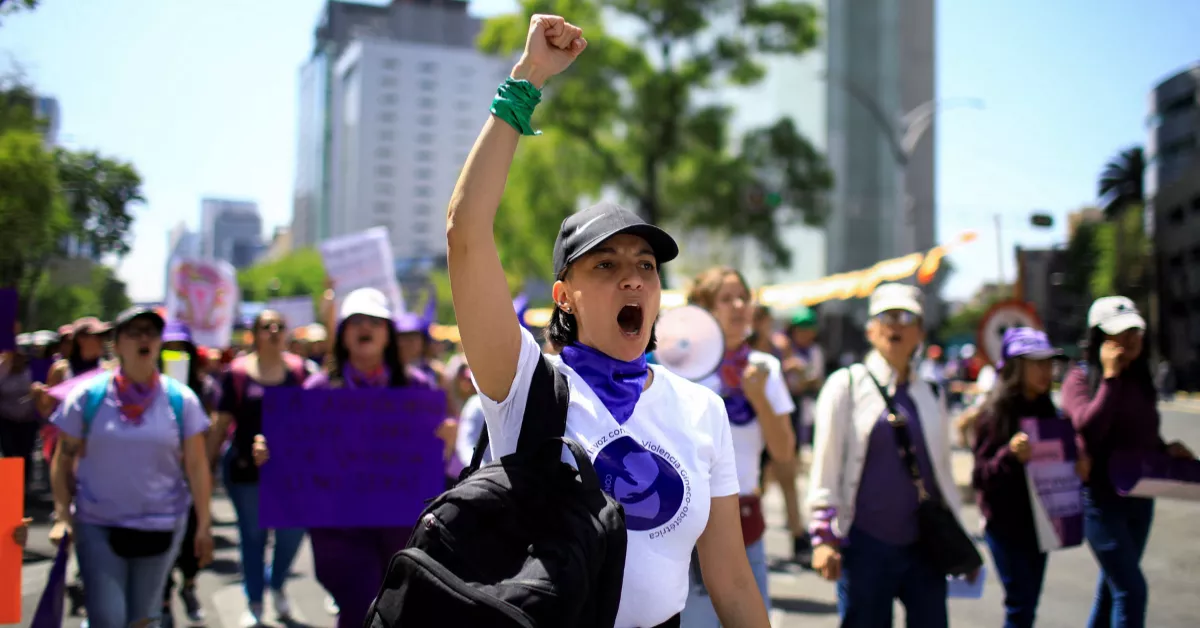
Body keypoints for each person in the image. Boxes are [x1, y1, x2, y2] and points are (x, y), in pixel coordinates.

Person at [445, 14, 770, 627]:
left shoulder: (702, 411)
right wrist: (527, 79)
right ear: (564, 296)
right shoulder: (524, 386)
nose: (632, 278)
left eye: (646, 265)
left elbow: (729, 579)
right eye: (606, 264)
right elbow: (465, 235)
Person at [254, 288, 452, 628]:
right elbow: (295, 454)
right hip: (338, 529)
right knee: (360, 604)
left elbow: (436, 461)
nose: (366, 328)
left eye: (375, 321)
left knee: (397, 608)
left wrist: (446, 440)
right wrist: (270, 452)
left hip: (398, 527)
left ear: (388, 334)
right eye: (356, 321)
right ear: (343, 334)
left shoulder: (416, 387)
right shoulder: (317, 391)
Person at [807, 283, 964, 628]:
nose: (896, 325)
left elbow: (942, 473)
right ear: (870, 329)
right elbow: (825, 466)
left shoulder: (932, 392)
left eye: (906, 317)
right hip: (865, 545)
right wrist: (823, 539)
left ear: (921, 331)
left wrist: (961, 540)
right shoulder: (845, 385)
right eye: (886, 316)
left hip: (925, 545)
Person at [48, 307, 214, 628]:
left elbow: (196, 465)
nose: (143, 339)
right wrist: (61, 516)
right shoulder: (86, 397)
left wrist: (204, 524)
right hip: (98, 524)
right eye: (133, 332)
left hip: (161, 526)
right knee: (108, 618)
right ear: (117, 344)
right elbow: (62, 459)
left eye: (150, 333)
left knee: (142, 618)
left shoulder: (182, 400)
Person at [1061, 296, 1195, 628]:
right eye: (1120, 333)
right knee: (1131, 591)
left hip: (1138, 496)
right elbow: (1088, 429)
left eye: (1135, 331)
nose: (1131, 339)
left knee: (1113, 590)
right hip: (1101, 501)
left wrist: (1166, 450)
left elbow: (1142, 434)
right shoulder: (1080, 379)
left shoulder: (1140, 380)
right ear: (1098, 339)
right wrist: (1109, 378)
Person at [681, 267, 796, 625]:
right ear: (704, 309)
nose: (738, 305)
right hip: (689, 526)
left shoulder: (764, 369)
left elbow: (784, 452)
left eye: (743, 297)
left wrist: (758, 398)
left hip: (746, 525)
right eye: (726, 299)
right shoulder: (680, 366)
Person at [972, 327, 1080, 628]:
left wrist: (1079, 462)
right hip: (1006, 527)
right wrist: (1009, 454)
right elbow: (980, 477)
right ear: (1017, 367)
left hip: (1042, 523)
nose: (1047, 371)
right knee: (1020, 604)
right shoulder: (995, 414)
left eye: (1049, 363)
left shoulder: (1050, 412)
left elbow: (1063, 467)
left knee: (1029, 604)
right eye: (1037, 363)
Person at [208, 310, 310, 626]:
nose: (274, 331)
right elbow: (221, 423)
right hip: (245, 471)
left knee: (292, 534)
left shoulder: (300, 373)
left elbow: (315, 421)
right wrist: (207, 469)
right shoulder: (236, 374)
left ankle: (276, 584)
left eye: (280, 326)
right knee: (252, 537)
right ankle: (254, 602)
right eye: (267, 327)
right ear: (254, 334)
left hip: (291, 473)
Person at [159, 321, 220, 627]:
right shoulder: (150, 389)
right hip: (158, 480)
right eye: (169, 347)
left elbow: (209, 431)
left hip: (191, 476)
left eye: (180, 348)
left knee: (191, 541)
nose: (175, 352)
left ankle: (189, 585)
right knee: (161, 541)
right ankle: (164, 599)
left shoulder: (203, 388)